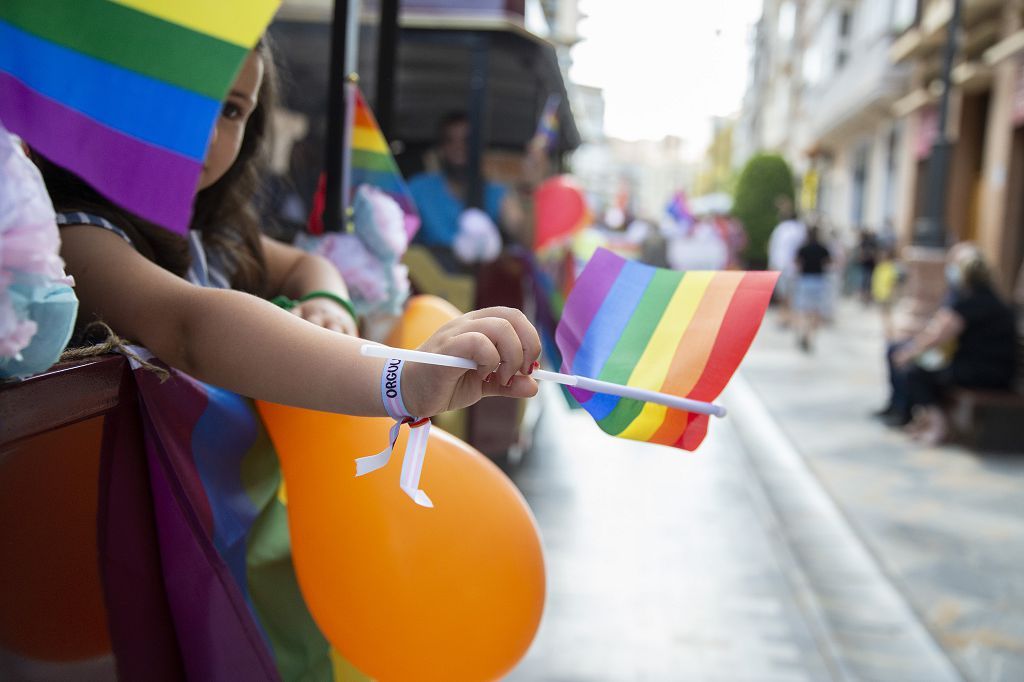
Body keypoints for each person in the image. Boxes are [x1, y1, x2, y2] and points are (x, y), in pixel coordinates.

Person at [892, 243, 1017, 445]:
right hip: (991, 370)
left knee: (915, 372)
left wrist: (910, 352)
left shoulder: (971, 301)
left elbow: (940, 334)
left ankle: (938, 426)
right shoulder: (991, 299)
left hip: (983, 372)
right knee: (925, 369)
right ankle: (926, 421)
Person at [408, 112, 543, 260]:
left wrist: (530, 190)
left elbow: (524, 239)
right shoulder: (418, 189)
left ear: (479, 148)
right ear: (440, 149)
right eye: (450, 140)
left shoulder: (496, 192)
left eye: (467, 140)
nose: (458, 147)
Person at [767, 199, 806, 328]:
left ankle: (784, 316)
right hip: (794, 266)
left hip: (781, 264)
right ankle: (789, 316)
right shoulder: (800, 229)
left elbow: (773, 247)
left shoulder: (781, 229)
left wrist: (771, 264)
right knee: (792, 293)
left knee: (783, 294)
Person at [792, 225, 831, 352]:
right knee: (815, 311)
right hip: (818, 280)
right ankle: (811, 337)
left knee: (803, 310)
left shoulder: (803, 248)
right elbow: (829, 262)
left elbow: (797, 262)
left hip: (805, 280)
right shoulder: (822, 248)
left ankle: (803, 332)